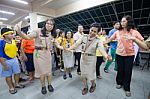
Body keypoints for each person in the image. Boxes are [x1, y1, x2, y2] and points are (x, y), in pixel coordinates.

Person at [14, 19, 61, 94]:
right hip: (38, 54)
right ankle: (43, 86)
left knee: (49, 71)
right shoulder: (38, 31)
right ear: (45, 24)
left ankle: (49, 84)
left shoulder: (52, 34)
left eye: (51, 24)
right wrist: (19, 31)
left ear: (53, 26)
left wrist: (64, 48)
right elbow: (27, 37)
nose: (49, 25)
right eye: (48, 23)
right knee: (41, 72)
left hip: (47, 53)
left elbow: (56, 43)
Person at [67, 22, 112, 95]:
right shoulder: (84, 36)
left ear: (97, 32)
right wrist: (69, 49)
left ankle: (93, 85)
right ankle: (85, 87)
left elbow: (102, 50)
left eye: (95, 31)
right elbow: (76, 44)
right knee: (83, 75)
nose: (92, 32)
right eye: (91, 30)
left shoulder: (98, 40)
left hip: (92, 59)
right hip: (83, 58)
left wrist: (107, 56)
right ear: (89, 29)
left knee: (91, 76)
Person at [105, 15, 144, 97]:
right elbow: (110, 39)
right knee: (120, 70)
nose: (121, 23)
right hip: (119, 54)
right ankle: (119, 82)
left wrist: (135, 40)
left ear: (128, 22)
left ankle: (127, 88)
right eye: (121, 21)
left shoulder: (134, 32)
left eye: (123, 21)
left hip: (130, 55)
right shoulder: (117, 32)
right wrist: (103, 43)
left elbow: (143, 43)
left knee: (128, 72)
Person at [0, 28, 25, 94]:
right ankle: (11, 87)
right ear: (5, 35)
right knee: (8, 75)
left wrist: (18, 57)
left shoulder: (13, 41)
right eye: (10, 34)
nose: (12, 35)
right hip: (6, 61)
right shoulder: (1, 43)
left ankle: (16, 84)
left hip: (14, 59)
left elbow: (15, 50)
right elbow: (0, 56)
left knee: (17, 72)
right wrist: (4, 65)